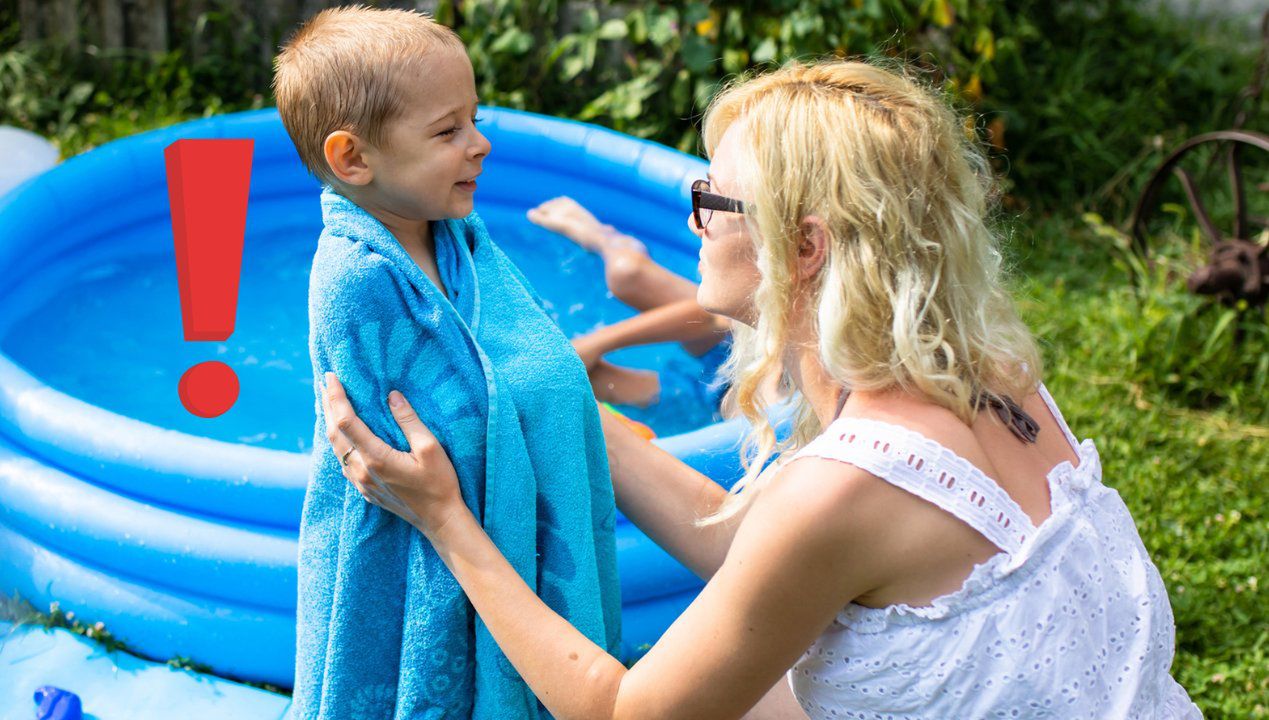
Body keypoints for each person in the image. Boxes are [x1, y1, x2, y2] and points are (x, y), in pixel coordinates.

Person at [323, 59, 1201, 719]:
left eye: (712, 198)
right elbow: (757, 548)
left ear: (805, 247)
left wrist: (447, 521)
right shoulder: (988, 371)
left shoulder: (845, 491)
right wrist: (563, 404)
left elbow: (627, 712)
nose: (693, 220)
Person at [274, 7, 620, 718]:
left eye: (475, 119)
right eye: (447, 131)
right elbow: (401, 453)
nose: (479, 145)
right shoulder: (355, 277)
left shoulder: (457, 233)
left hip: (477, 546)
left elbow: (516, 362)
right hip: (412, 545)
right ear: (353, 159)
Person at [527, 196, 733, 409]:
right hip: (734, 345)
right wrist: (591, 345)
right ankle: (606, 239)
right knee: (626, 274)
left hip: (710, 401)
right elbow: (712, 317)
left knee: (561, 377)